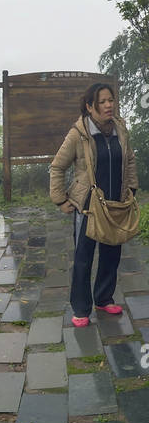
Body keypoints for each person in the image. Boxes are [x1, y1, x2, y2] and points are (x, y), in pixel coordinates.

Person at [53, 81, 139, 328]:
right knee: (83, 258)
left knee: (112, 254)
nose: (108, 105)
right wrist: (60, 200)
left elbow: (129, 160)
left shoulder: (120, 129)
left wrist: (131, 188)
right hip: (88, 206)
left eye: (110, 100)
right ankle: (81, 308)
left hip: (116, 203)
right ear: (90, 107)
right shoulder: (79, 134)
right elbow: (57, 166)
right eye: (102, 102)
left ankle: (103, 298)